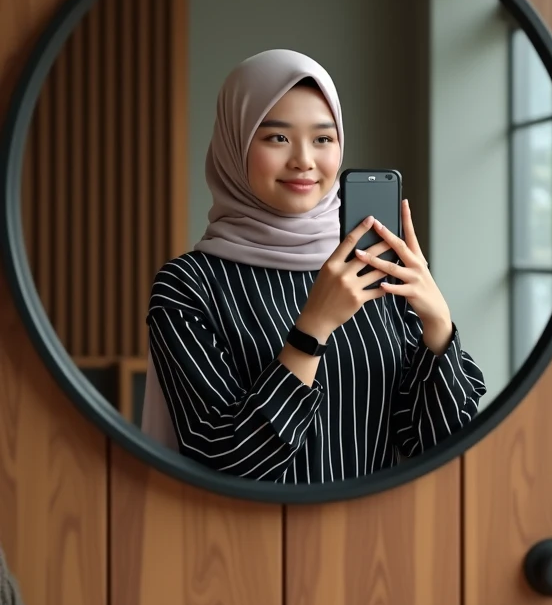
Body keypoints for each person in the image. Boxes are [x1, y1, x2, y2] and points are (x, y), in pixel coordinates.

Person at [142, 49, 486, 482]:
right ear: (236, 144)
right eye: (277, 138)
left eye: (323, 139)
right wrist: (313, 328)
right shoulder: (189, 286)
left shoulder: (377, 266)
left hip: (381, 538)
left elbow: (438, 443)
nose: (304, 159)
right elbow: (225, 458)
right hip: (248, 543)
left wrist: (439, 325)